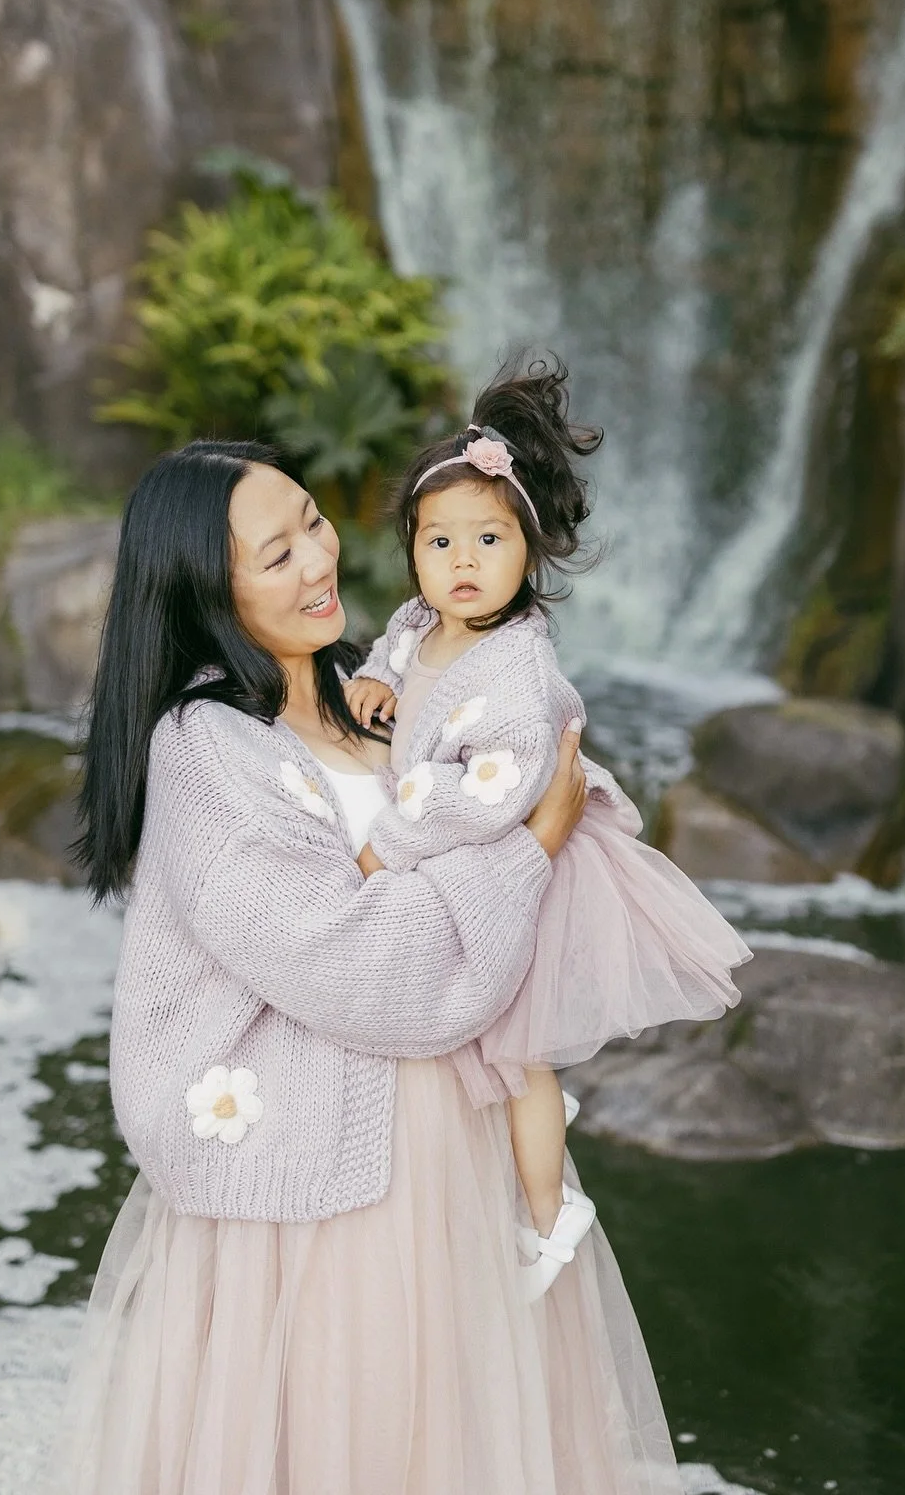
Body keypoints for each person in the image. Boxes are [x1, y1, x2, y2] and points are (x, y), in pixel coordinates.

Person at [48, 436, 684, 1494]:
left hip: (451, 1157)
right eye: (275, 552)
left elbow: (512, 772)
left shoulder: (374, 691)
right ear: (208, 588)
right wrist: (532, 847)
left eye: (312, 520)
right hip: (316, 1200)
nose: (316, 558)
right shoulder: (208, 751)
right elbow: (357, 965)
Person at [347, 358, 750, 1296]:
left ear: (531, 550)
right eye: (439, 542)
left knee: (514, 1051)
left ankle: (548, 1213)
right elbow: (393, 649)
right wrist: (373, 677)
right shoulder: (419, 624)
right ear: (412, 550)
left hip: (517, 876)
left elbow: (480, 799)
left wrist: (383, 846)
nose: (462, 563)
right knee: (492, 1054)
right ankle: (522, 1163)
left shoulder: (519, 682)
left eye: (488, 540)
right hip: (471, 872)